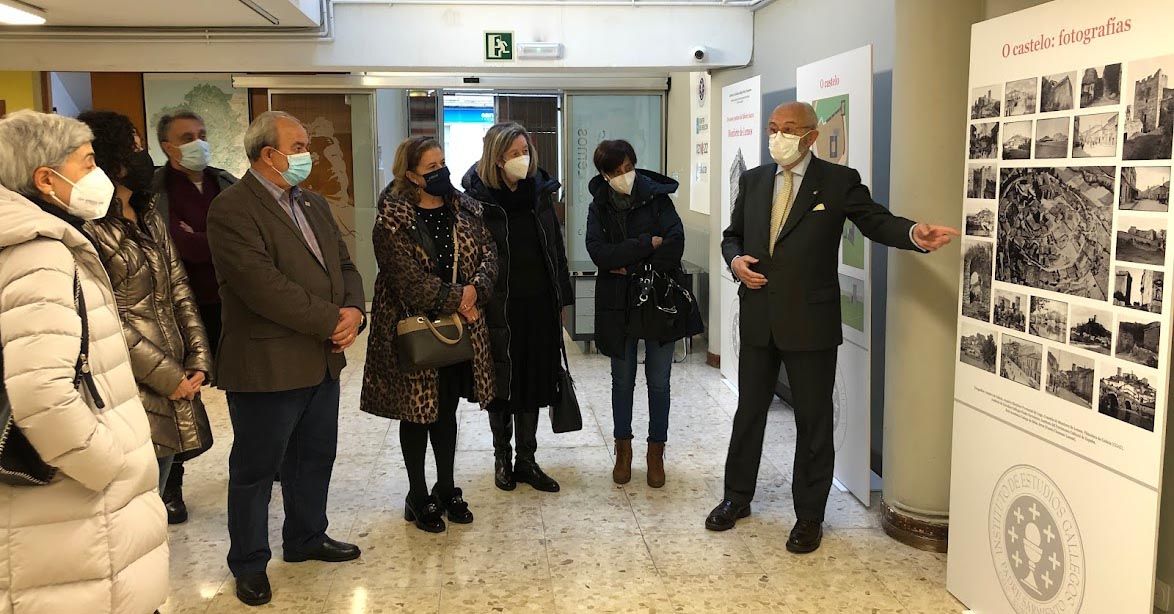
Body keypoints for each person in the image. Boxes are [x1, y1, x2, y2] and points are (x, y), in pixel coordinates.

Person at [704, 102, 959, 554]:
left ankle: (809, 517)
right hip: (760, 315)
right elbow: (732, 234)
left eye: (788, 129)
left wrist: (912, 235)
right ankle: (736, 498)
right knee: (749, 414)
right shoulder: (754, 180)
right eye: (772, 128)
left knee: (814, 421)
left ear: (811, 136)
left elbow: (875, 220)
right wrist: (734, 259)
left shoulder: (838, 182)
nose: (777, 136)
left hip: (811, 321)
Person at [0, 110, 168, 614]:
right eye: (87, 161)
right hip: (76, 508)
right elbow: (42, 392)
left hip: (67, 514)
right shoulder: (38, 254)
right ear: (46, 178)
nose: (99, 175)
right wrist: (107, 463)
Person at [207, 111, 366, 606]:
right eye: (297, 146)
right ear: (267, 154)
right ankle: (250, 562)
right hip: (267, 365)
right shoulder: (232, 209)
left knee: (315, 456)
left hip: (321, 360)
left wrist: (355, 310)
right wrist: (330, 320)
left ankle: (305, 537)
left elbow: (344, 262)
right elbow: (263, 288)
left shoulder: (313, 203)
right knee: (257, 468)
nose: (307, 154)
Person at [360, 136, 498, 533]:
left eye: (442, 163)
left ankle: (446, 487)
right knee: (418, 413)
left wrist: (475, 291)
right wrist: (460, 298)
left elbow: (489, 255)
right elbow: (407, 281)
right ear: (410, 175)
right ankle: (417, 496)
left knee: (447, 411)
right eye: (431, 168)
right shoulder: (392, 220)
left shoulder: (465, 209)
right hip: (415, 331)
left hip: (457, 329)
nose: (441, 172)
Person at [78, 109, 214, 506]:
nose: (143, 158)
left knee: (157, 487)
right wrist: (169, 376)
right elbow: (106, 315)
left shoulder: (149, 214)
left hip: (174, 372)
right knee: (133, 501)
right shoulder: (88, 228)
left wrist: (197, 359)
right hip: (128, 381)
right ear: (108, 159)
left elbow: (178, 289)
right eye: (133, 149)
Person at [462, 122, 573, 494]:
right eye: (514, 154)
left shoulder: (539, 193)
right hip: (498, 305)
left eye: (525, 151)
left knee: (535, 380)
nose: (522, 160)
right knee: (501, 383)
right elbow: (470, 256)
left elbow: (555, 247)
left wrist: (563, 298)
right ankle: (502, 457)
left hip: (539, 302)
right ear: (496, 158)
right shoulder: (476, 201)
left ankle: (527, 459)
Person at [586, 139, 696, 488]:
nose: (624, 176)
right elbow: (599, 253)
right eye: (615, 172)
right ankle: (623, 450)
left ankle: (655, 452)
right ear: (604, 175)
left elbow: (676, 243)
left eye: (628, 168)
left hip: (658, 299)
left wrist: (629, 264)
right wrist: (646, 244)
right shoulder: (599, 205)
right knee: (622, 379)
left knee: (659, 381)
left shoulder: (657, 197)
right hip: (618, 304)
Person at [154, 110, 238, 524]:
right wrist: (207, 240)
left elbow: (236, 240)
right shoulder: (155, 191)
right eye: (187, 136)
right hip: (179, 308)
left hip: (230, 302)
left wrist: (199, 236)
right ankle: (172, 485)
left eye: (202, 134)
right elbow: (180, 248)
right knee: (183, 392)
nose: (197, 142)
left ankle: (261, 461)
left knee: (244, 384)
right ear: (167, 146)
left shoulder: (224, 183)